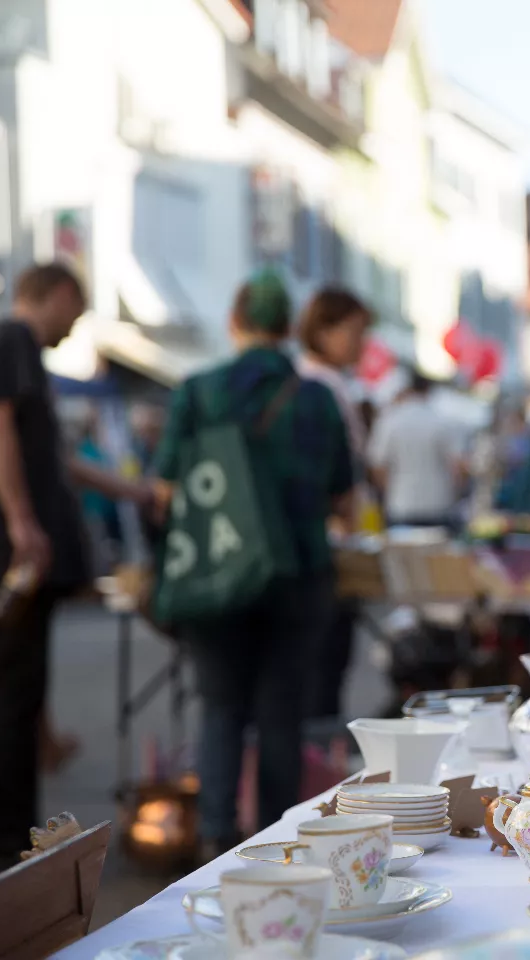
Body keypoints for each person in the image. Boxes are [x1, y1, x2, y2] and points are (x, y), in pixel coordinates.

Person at [0, 263, 155, 877]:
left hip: (6, 553)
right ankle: (3, 849)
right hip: (8, 555)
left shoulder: (10, 350)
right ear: (60, 294)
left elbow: (54, 457)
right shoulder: (9, 339)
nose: (74, 326)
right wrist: (21, 522)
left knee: (12, 690)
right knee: (10, 694)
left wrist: (129, 492)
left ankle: (5, 843)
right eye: (77, 311)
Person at [153, 271, 354, 856]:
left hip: (216, 575)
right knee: (280, 716)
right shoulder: (315, 398)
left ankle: (216, 841)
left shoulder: (196, 392)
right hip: (299, 575)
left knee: (219, 707)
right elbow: (344, 501)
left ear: (234, 322)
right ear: (288, 329)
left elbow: (164, 490)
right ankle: (277, 842)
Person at [295, 287, 372, 721]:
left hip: (326, 542)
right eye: (354, 332)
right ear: (324, 331)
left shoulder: (328, 383)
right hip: (325, 547)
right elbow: (336, 480)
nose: (361, 344)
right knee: (322, 675)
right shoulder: (318, 387)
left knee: (322, 675)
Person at [367, 373, 464, 528]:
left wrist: (390, 491)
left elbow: (377, 465)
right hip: (438, 504)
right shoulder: (442, 421)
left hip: (401, 504)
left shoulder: (390, 421)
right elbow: (457, 467)